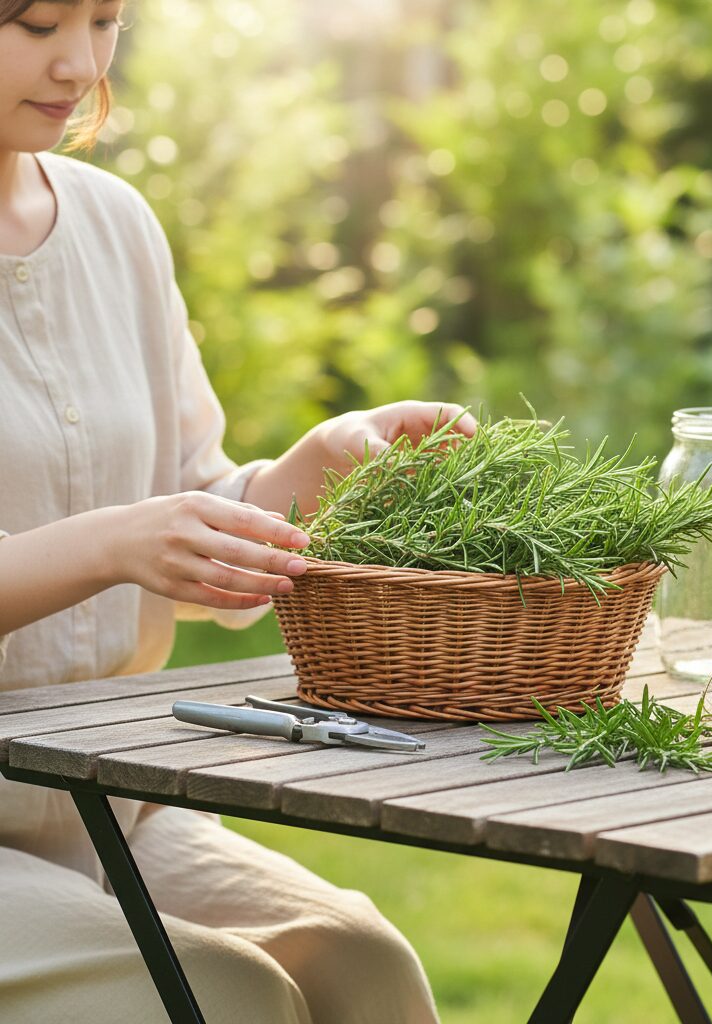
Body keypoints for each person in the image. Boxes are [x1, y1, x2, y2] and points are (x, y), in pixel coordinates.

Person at [0, 1, 477, 1020]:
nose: (80, 63)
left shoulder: (117, 225)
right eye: (32, 24)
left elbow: (187, 506)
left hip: (105, 801)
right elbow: (132, 535)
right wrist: (112, 542)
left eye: (103, 19)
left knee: (362, 962)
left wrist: (311, 468)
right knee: (225, 994)